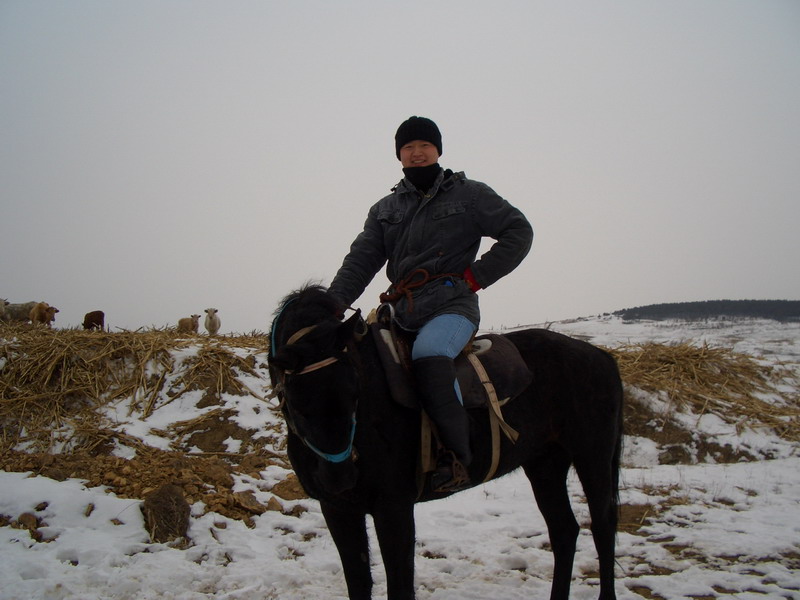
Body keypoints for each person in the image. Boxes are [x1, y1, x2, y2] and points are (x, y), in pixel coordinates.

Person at [329, 116, 533, 492]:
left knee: (429, 353)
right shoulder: (384, 209)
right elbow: (361, 260)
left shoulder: (469, 195)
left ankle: (455, 457)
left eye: (424, 145)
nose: (417, 152)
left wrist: (476, 277)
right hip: (400, 311)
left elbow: (518, 231)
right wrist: (332, 304)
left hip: (451, 308)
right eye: (408, 147)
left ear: (438, 150)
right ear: (399, 155)